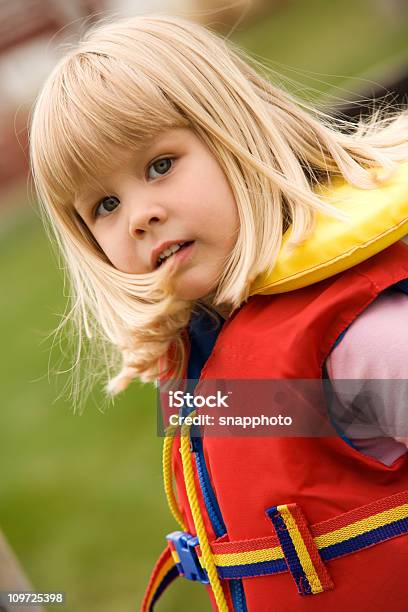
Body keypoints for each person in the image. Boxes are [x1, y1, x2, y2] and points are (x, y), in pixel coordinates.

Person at [29, 14, 408, 611]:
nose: (138, 216)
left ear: (236, 134)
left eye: (160, 165)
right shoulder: (207, 354)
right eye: (104, 204)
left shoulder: (361, 337)